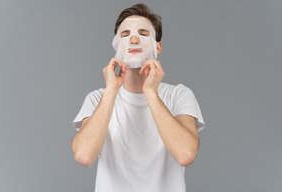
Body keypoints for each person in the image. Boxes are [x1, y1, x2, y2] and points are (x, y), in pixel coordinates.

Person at [71, 3, 205, 192]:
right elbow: (84, 156)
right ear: (116, 46)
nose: (134, 39)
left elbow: (186, 154)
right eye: (125, 35)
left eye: (143, 33)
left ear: (157, 47)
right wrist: (111, 91)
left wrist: (150, 92)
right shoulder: (97, 99)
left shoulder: (179, 95)